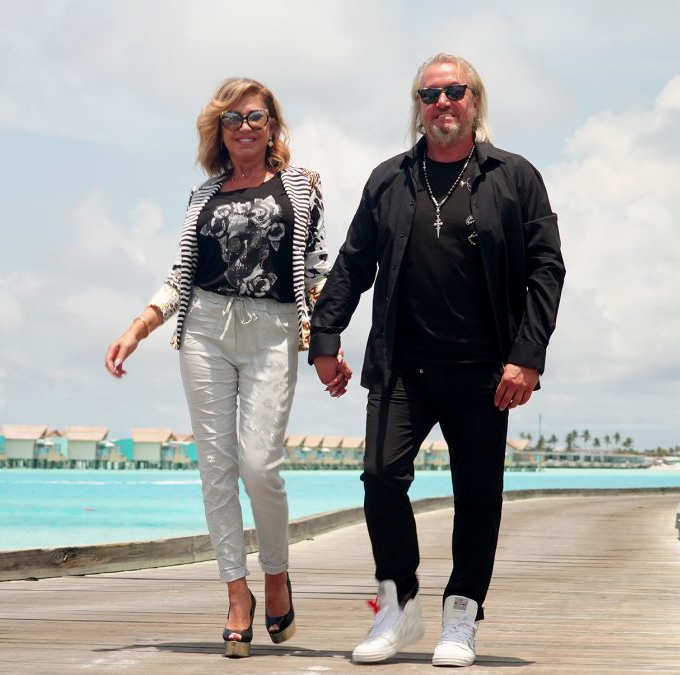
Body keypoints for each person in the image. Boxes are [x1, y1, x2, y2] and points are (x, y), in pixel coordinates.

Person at [309, 53, 565, 667]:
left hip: (485, 372)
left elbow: (546, 269)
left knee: (477, 495)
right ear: (418, 106)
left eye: (454, 91)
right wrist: (325, 337)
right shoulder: (389, 180)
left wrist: (527, 356)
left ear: (475, 100)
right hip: (402, 365)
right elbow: (352, 263)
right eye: (430, 95)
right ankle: (397, 605)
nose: (442, 103)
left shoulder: (516, 177)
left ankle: (461, 616)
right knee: (380, 478)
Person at [105, 77, 346, 658]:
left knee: (260, 465)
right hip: (205, 329)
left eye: (254, 117)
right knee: (216, 467)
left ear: (272, 126)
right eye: (232, 119)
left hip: (273, 329)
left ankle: (276, 574)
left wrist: (327, 342)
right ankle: (237, 594)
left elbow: (318, 269)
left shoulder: (302, 186)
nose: (244, 127)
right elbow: (182, 273)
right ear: (219, 129)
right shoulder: (203, 195)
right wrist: (139, 326)